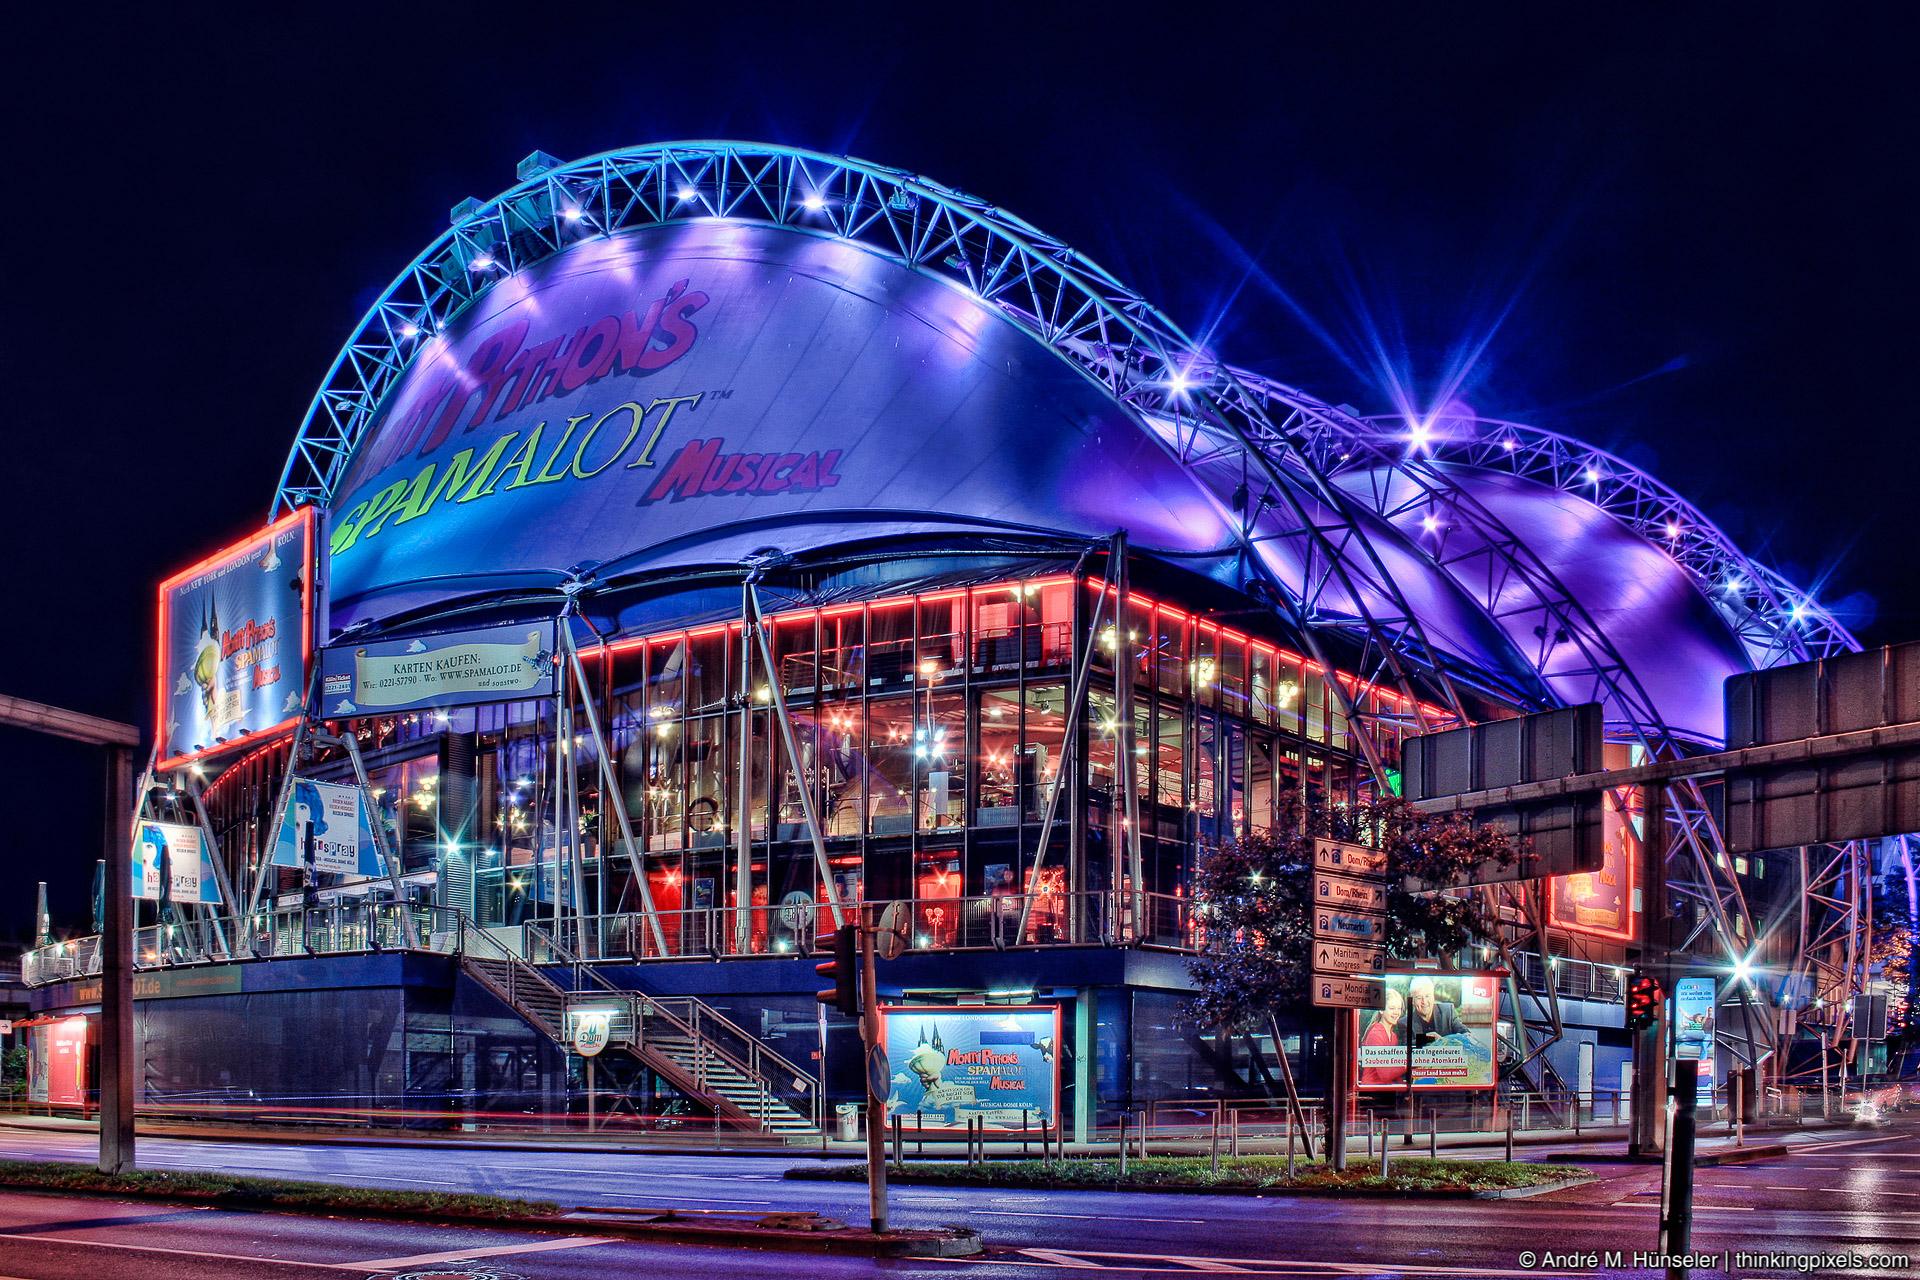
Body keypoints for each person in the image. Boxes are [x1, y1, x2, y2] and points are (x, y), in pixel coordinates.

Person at [1360, 987, 1407, 1087]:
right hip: (1372, 1091)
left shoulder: (1393, 1036)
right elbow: (1385, 1074)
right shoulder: (1376, 1033)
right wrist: (1409, 1063)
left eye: (1399, 1008)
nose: (1396, 1013)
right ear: (1381, 1010)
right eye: (1392, 1008)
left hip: (1386, 1090)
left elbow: (1393, 1069)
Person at [1408, 975, 1465, 1044]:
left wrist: (1467, 1035)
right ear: (1412, 1001)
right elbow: (1405, 1045)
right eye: (1419, 998)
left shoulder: (1447, 1011)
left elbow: (1463, 1031)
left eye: (1427, 996)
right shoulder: (1405, 1022)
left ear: (1433, 997)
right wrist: (1426, 1039)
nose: (1424, 1002)